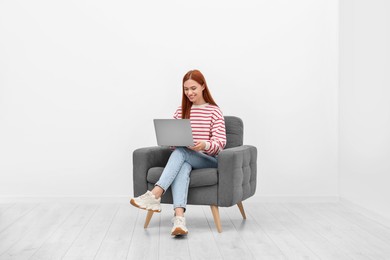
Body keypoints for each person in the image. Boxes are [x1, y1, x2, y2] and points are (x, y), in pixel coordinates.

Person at [130, 69, 226, 236]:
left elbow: (220, 143)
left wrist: (203, 145)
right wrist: (172, 141)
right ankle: (179, 220)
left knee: (182, 152)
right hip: (186, 157)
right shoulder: (181, 110)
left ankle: (155, 194)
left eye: (193, 88)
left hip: (208, 160)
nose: (189, 92)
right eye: (186, 89)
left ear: (203, 86)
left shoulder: (214, 111)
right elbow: (173, 144)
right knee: (182, 159)